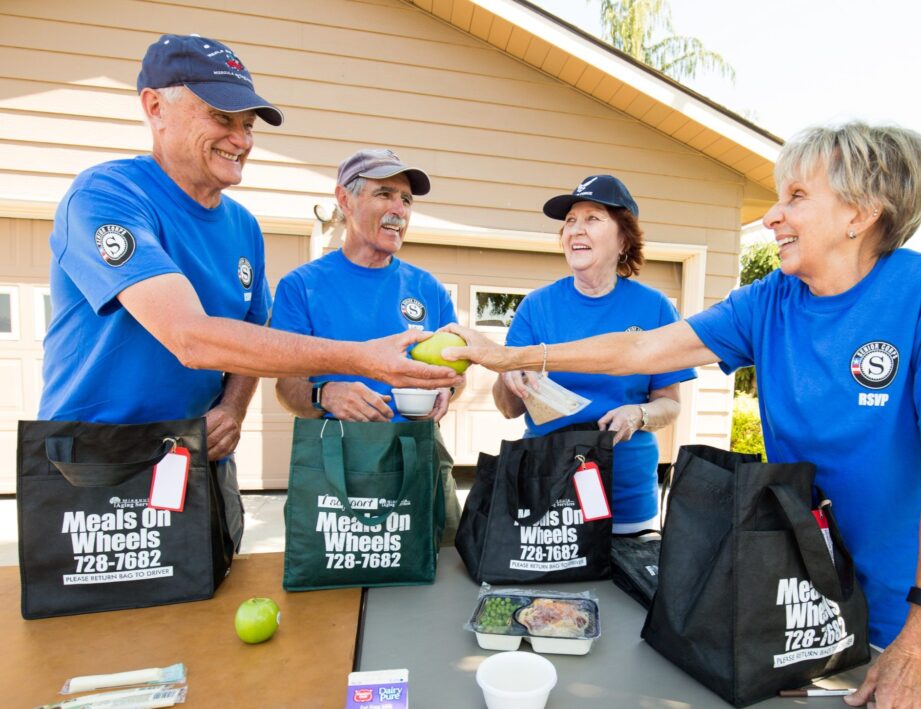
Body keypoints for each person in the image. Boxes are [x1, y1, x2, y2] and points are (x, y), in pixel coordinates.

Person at [444, 122, 921, 708]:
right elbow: (642, 349)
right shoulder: (768, 299)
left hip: (901, 616)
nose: (772, 216)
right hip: (799, 596)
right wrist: (506, 356)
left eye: (796, 197)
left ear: (862, 213)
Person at [39, 34, 461, 554]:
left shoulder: (243, 227)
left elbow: (251, 332)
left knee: (213, 614)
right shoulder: (107, 196)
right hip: (99, 457)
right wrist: (358, 363)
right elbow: (191, 339)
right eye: (222, 117)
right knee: (106, 630)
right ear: (155, 108)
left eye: (248, 125)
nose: (240, 139)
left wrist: (234, 409)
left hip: (201, 455)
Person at [271, 148, 462, 542]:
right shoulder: (301, 286)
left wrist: (449, 390)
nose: (399, 209)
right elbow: (287, 389)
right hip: (338, 461)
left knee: (440, 567)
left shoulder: (429, 288)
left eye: (406, 200)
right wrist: (326, 393)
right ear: (345, 199)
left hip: (418, 453)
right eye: (385, 194)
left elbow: (458, 374)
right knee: (338, 580)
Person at [492, 175, 695, 533]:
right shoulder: (536, 307)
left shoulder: (655, 309)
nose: (575, 230)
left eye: (592, 218)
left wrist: (640, 413)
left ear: (623, 239)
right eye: (570, 221)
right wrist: (510, 378)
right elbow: (509, 409)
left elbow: (670, 404)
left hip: (626, 495)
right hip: (546, 488)